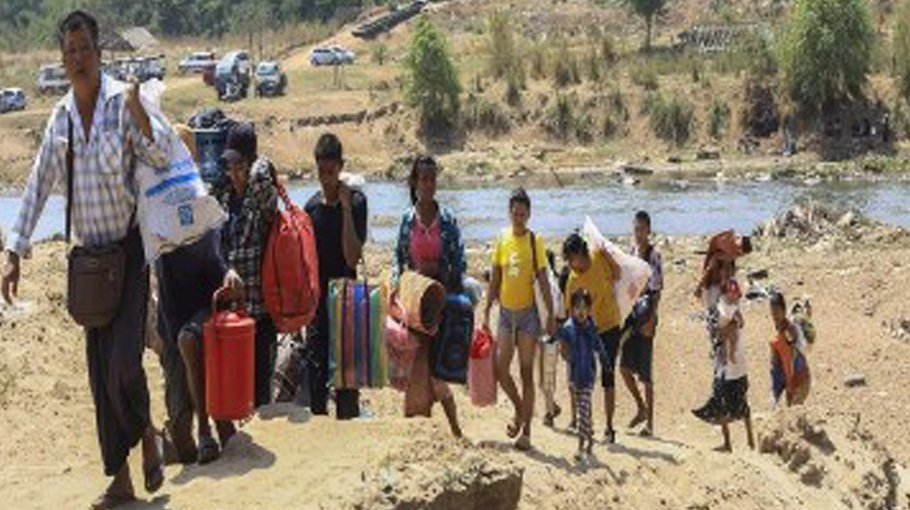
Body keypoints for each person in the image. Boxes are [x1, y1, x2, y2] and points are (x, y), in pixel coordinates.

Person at [1, 11, 169, 508]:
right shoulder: (60, 119)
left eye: (84, 48)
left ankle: (148, 433)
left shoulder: (122, 104)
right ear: (62, 57)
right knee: (100, 379)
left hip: (129, 252)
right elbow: (35, 187)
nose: (77, 58)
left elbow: (160, 157)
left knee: (122, 367)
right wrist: (14, 249)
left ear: (99, 52)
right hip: (88, 266)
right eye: (69, 50)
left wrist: (142, 116)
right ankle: (119, 480)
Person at [156, 125, 242, 465]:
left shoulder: (202, 201)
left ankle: (209, 430)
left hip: (204, 308)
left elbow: (215, 258)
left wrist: (228, 272)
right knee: (179, 424)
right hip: (171, 314)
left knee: (191, 342)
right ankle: (191, 443)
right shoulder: (155, 204)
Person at [390, 155, 464, 437]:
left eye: (432, 179)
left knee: (437, 368)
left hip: (440, 304)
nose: (429, 185)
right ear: (414, 182)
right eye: (423, 179)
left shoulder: (447, 220)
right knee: (416, 368)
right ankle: (419, 431)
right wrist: (398, 286)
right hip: (414, 304)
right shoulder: (407, 220)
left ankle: (455, 428)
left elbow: (459, 261)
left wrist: (445, 278)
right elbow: (398, 259)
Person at [483, 188, 556, 451]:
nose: (518, 217)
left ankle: (526, 433)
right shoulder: (502, 239)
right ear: (509, 212)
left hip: (528, 316)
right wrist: (486, 308)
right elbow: (496, 277)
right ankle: (518, 408)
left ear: (529, 214)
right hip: (505, 314)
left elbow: (544, 280)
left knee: (526, 372)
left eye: (523, 213)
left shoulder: (535, 241)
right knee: (500, 369)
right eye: (515, 212)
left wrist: (550, 314)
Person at [304, 133, 367, 419]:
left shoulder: (356, 203)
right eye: (321, 172)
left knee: (347, 375)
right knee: (316, 369)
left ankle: (348, 423)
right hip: (318, 301)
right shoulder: (311, 208)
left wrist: (344, 210)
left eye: (331, 172)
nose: (326, 179)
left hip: (347, 297)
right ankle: (318, 423)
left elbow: (352, 256)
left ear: (341, 167)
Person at [216, 122, 278, 409]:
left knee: (259, 390)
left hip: (259, 312)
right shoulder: (227, 200)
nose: (233, 173)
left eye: (239, 165)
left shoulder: (260, 197)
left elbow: (265, 173)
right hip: (232, 313)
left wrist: (254, 163)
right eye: (228, 166)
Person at [562, 233, 622, 443]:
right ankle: (586, 424)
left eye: (572, 258)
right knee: (584, 378)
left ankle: (609, 427)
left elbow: (617, 273)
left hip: (610, 325)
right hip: (587, 332)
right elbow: (570, 314)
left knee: (608, 374)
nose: (571, 264)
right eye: (568, 260)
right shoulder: (571, 280)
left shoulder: (598, 258)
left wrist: (607, 253)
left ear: (581, 253)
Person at [693, 259, 754, 452]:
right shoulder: (713, 291)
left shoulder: (734, 289)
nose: (726, 271)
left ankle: (751, 440)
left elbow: (738, 321)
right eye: (723, 268)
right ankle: (728, 443)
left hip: (734, 352)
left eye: (729, 268)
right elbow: (696, 293)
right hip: (720, 352)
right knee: (721, 397)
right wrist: (707, 272)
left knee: (739, 395)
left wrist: (728, 327)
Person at [620, 211, 663, 437]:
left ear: (648, 230)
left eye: (642, 229)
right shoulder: (631, 253)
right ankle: (641, 408)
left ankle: (650, 424)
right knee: (624, 368)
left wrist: (652, 319)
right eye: (635, 229)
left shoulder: (653, 255)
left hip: (646, 316)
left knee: (646, 374)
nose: (638, 233)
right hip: (632, 314)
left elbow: (657, 291)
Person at [557, 289, 601, 462]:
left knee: (583, 407)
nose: (581, 311)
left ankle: (580, 446)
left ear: (589, 309)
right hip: (575, 373)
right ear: (572, 309)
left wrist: (607, 364)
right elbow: (559, 340)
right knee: (584, 408)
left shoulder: (591, 328)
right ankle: (589, 437)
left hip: (588, 374)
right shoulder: (569, 328)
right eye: (577, 307)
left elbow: (599, 347)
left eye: (584, 307)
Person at [769, 291, 811, 407]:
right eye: (772, 312)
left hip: (800, 380)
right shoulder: (780, 328)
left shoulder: (788, 330)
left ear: (784, 310)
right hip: (792, 381)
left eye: (777, 312)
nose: (775, 316)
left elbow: (790, 354)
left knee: (793, 414)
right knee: (792, 415)